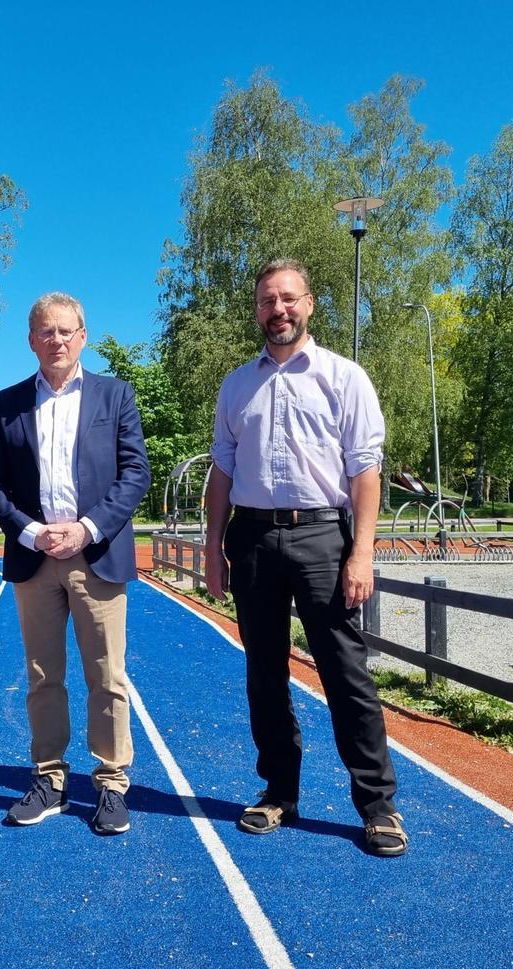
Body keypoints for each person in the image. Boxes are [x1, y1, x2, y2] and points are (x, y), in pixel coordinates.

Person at [204, 258, 406, 857]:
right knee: (265, 675)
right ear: (257, 310)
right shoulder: (238, 385)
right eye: (268, 301)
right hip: (254, 539)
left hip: (323, 537)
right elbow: (221, 471)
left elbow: (365, 470)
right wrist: (213, 548)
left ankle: (377, 806)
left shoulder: (345, 378)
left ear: (310, 304)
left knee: (346, 675)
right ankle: (278, 792)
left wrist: (362, 552)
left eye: (288, 299)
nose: (278, 311)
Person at [0, 291, 151, 835]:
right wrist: (31, 532)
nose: (56, 340)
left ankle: (111, 784)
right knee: (42, 676)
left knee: (107, 677)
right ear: (31, 340)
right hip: (35, 559)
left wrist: (85, 528)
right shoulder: (7, 402)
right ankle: (50, 779)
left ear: (83, 336)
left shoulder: (115, 395)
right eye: (45, 331)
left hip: (95, 555)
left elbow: (135, 474)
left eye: (66, 331)